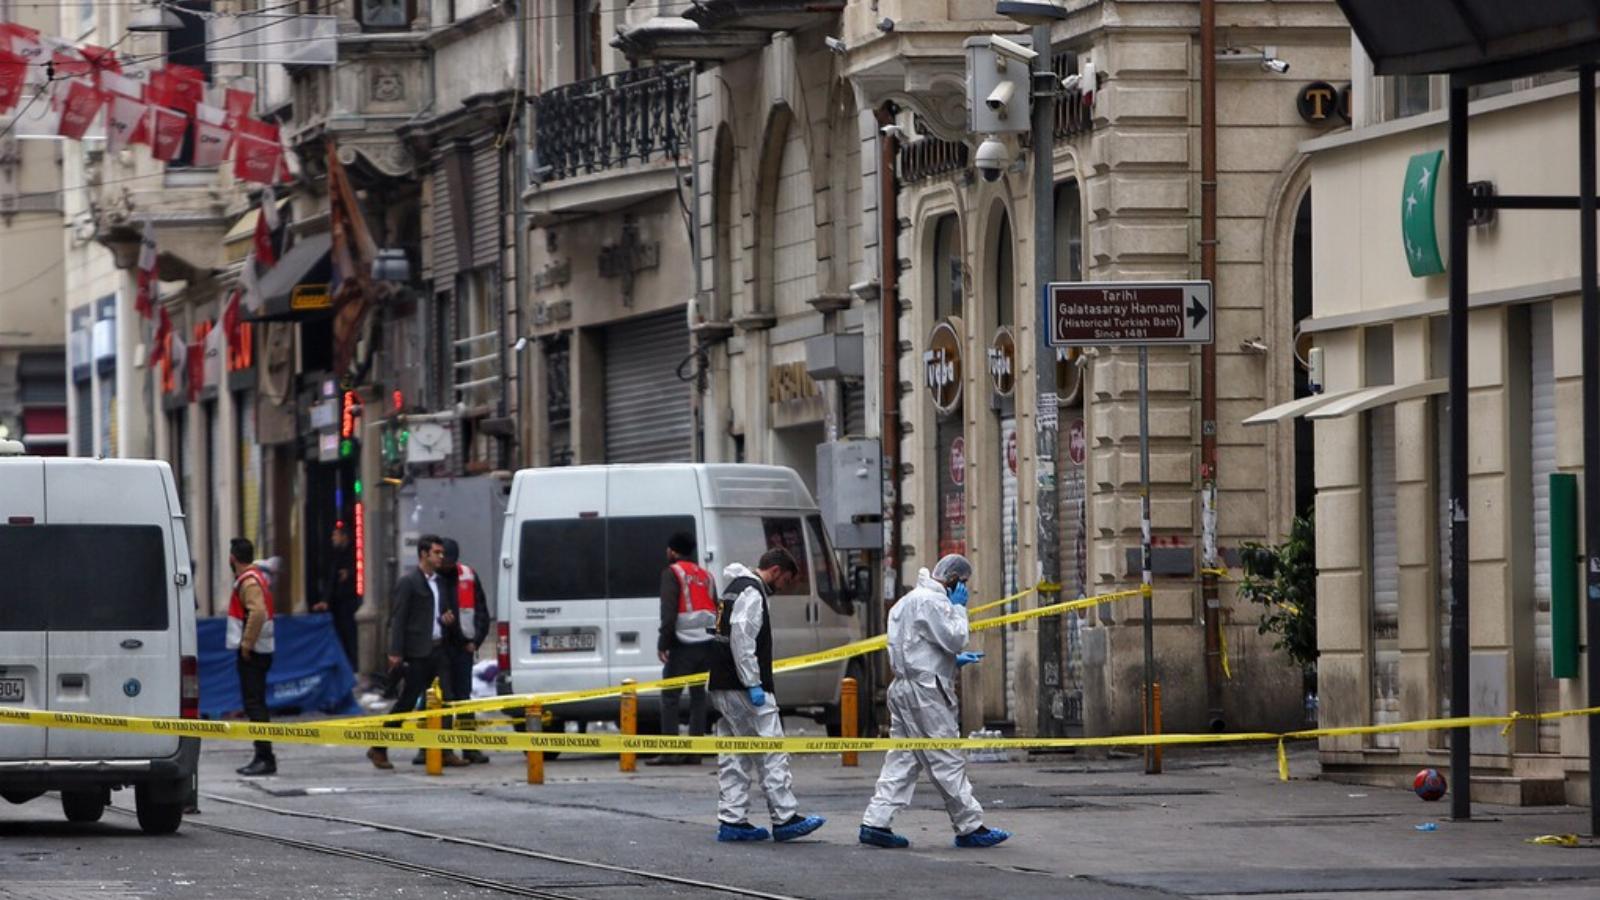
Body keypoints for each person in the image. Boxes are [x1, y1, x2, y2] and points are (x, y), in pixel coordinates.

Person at [858, 553, 1010, 849]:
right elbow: (955, 637)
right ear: (953, 580)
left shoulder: (906, 601)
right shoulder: (935, 601)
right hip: (926, 691)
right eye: (963, 584)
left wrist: (951, 663)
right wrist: (959, 610)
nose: (963, 590)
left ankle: (875, 822)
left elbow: (916, 646)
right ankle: (970, 826)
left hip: (903, 687)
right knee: (946, 756)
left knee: (903, 758)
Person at [706, 546, 826, 843]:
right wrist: (753, 683)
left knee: (735, 753)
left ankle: (732, 819)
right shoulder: (752, 593)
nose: (783, 588)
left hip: (722, 683)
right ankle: (784, 817)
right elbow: (742, 639)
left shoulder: (733, 588)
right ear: (775, 571)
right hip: (744, 687)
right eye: (785, 581)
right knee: (772, 751)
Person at [367, 534, 468, 770]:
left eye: (442, 553)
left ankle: (444, 750)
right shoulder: (409, 582)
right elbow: (399, 618)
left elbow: (439, 612)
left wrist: (446, 619)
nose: (441, 557)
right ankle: (379, 747)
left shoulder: (439, 582)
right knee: (407, 701)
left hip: (438, 648)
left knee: (447, 699)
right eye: (437, 553)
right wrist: (395, 652)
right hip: (417, 652)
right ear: (424, 554)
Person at [417, 537, 492, 765]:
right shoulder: (430, 580)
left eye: (448, 561)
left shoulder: (467, 576)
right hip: (438, 648)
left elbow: (481, 612)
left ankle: (469, 747)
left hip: (462, 648)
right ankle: (431, 748)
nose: (444, 565)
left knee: (463, 699)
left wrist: (476, 641)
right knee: (435, 698)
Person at [649, 532, 717, 767]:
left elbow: (668, 612)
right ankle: (695, 751)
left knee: (670, 697)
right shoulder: (705, 575)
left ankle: (670, 752)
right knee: (698, 696)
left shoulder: (672, 573)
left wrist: (663, 643)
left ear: (673, 551)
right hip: (706, 644)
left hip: (682, 643)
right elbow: (715, 608)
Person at [226, 537, 277, 777]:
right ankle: (263, 755)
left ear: (232, 558)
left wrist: (246, 645)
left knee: (255, 705)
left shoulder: (248, 581)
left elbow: (257, 613)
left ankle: (265, 757)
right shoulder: (255, 577)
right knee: (256, 703)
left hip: (254, 653)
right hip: (260, 650)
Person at [313, 525, 360, 674]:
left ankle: (355, 665)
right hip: (339, 603)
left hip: (351, 601)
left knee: (351, 634)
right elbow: (332, 580)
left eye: (336, 535)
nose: (333, 538)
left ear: (344, 536)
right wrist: (325, 600)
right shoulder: (336, 555)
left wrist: (350, 573)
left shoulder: (353, 553)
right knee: (343, 634)